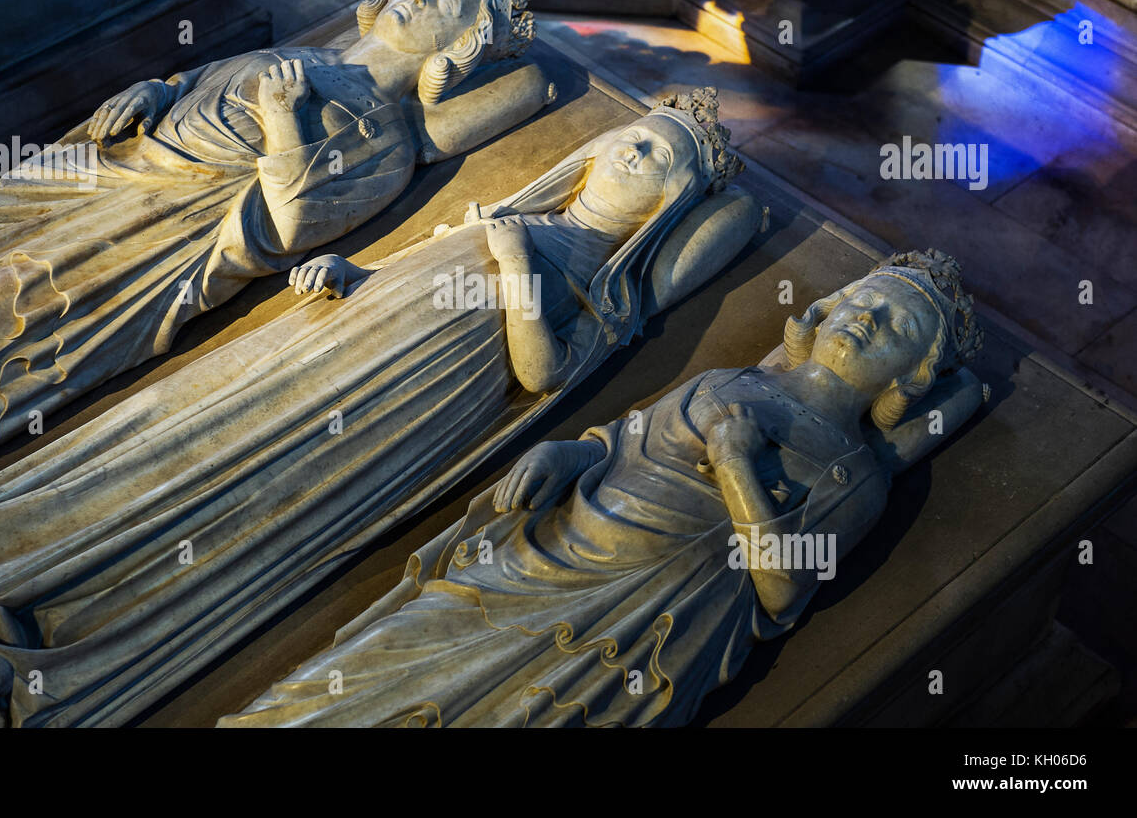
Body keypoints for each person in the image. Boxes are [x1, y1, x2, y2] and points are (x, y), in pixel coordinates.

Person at [0, 89, 763, 728]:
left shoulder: (593, 279)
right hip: (330, 340)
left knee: (243, 482)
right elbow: (420, 261)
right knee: (174, 429)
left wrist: (517, 264)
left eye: (654, 156)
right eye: (631, 135)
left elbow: (544, 373)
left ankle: (22, 636)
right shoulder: (526, 211)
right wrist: (354, 269)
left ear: (668, 203)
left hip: (414, 394)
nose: (625, 149)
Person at [0, 0, 548, 516]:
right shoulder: (318, 57)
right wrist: (158, 88)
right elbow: (203, 76)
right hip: (114, 167)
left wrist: (284, 121)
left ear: (459, 43)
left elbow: (291, 229)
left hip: (158, 235)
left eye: (439, 0)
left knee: (3, 295)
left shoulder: (387, 139)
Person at [220, 249, 985, 728]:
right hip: (545, 550)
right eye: (864, 298)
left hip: (624, 618)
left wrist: (736, 462)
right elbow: (624, 436)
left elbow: (783, 586)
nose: (865, 316)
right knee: (370, 664)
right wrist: (568, 453)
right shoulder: (735, 377)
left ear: (912, 373)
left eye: (894, 325)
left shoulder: (852, 469)